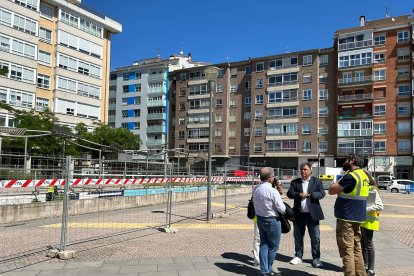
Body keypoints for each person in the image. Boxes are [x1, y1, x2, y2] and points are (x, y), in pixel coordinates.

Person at [329, 154, 370, 276]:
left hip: (346, 218)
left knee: (347, 251)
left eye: (347, 160)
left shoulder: (350, 176)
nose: (345, 162)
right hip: (358, 217)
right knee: (357, 249)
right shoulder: (365, 175)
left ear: (352, 161)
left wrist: (342, 176)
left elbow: (332, 190)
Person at [287, 162, 325, 268]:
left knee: (315, 238)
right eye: (301, 169)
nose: (303, 171)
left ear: (310, 170)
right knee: (298, 237)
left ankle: (316, 258)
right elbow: (289, 194)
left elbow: (322, 193)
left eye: (305, 169)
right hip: (299, 215)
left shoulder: (317, 181)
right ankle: (298, 256)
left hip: (313, 215)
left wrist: (311, 195)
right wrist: (299, 194)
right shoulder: (295, 182)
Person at [253, 167, 286, 276]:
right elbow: (281, 208)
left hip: (260, 219)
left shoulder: (256, 189)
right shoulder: (272, 191)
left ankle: (264, 270)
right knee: (273, 246)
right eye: (273, 176)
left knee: (264, 244)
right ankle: (268, 269)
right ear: (270, 178)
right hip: (272, 220)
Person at [360, 175, 383, 276]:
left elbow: (379, 206)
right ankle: (365, 266)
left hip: (369, 222)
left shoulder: (372, 190)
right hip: (362, 221)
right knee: (363, 244)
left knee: (368, 244)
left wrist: (364, 209)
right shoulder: (364, 189)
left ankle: (371, 269)